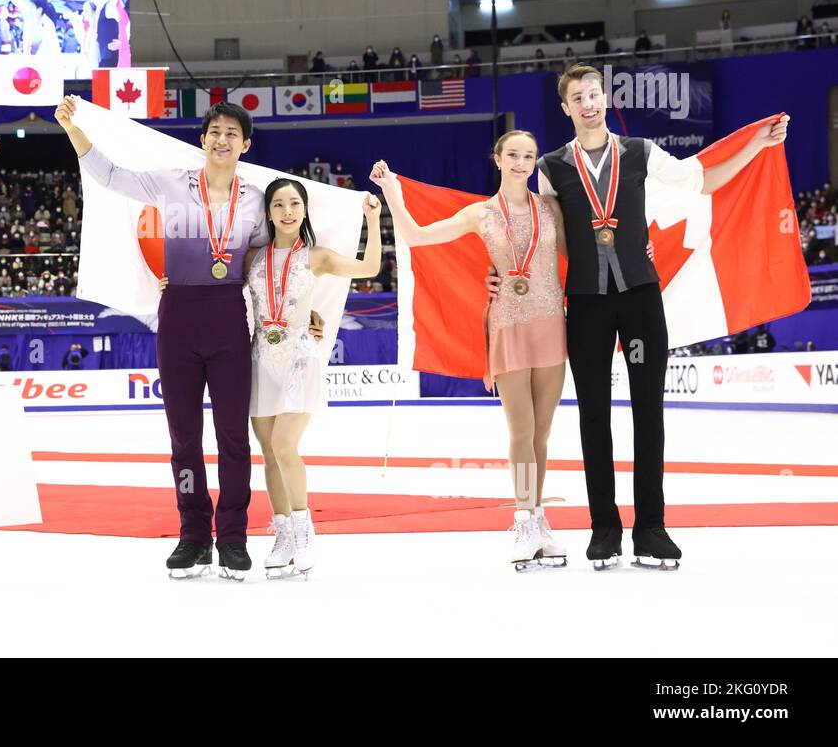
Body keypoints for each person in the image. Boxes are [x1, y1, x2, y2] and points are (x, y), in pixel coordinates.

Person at [55, 95, 323, 580]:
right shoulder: (172, 184)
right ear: (202, 141)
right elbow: (112, 176)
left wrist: (309, 308)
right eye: (214, 132)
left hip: (226, 317)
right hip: (177, 312)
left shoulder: (255, 202)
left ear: (246, 144)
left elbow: (273, 263)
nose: (222, 140)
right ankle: (193, 535)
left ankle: (234, 537)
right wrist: (75, 130)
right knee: (183, 436)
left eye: (232, 133)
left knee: (233, 437)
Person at [535, 64, 788, 570]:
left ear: (605, 98)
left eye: (594, 94)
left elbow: (703, 180)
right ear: (565, 108)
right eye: (577, 98)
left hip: (639, 300)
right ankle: (604, 528)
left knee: (648, 412)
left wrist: (756, 147)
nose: (588, 103)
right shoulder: (550, 167)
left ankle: (651, 528)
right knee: (593, 418)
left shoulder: (639, 152)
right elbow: (544, 238)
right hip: (585, 302)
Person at [372, 132, 572, 570]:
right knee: (521, 431)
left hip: (552, 326)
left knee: (542, 433)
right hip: (508, 326)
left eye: (528, 156)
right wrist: (392, 192)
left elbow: (587, 255)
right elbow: (417, 236)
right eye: (513, 155)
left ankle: (540, 519)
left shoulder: (551, 209)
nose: (521, 163)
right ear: (497, 159)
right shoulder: (480, 214)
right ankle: (522, 518)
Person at [246, 179, 381, 578]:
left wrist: (373, 222)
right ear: (268, 213)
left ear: (304, 211)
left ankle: (304, 531)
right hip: (260, 359)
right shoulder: (251, 257)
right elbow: (214, 287)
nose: (287, 211)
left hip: (300, 359)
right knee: (269, 451)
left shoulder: (316, 256)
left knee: (285, 445)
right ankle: (283, 534)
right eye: (278, 204)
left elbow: (370, 267)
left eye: (294, 204)